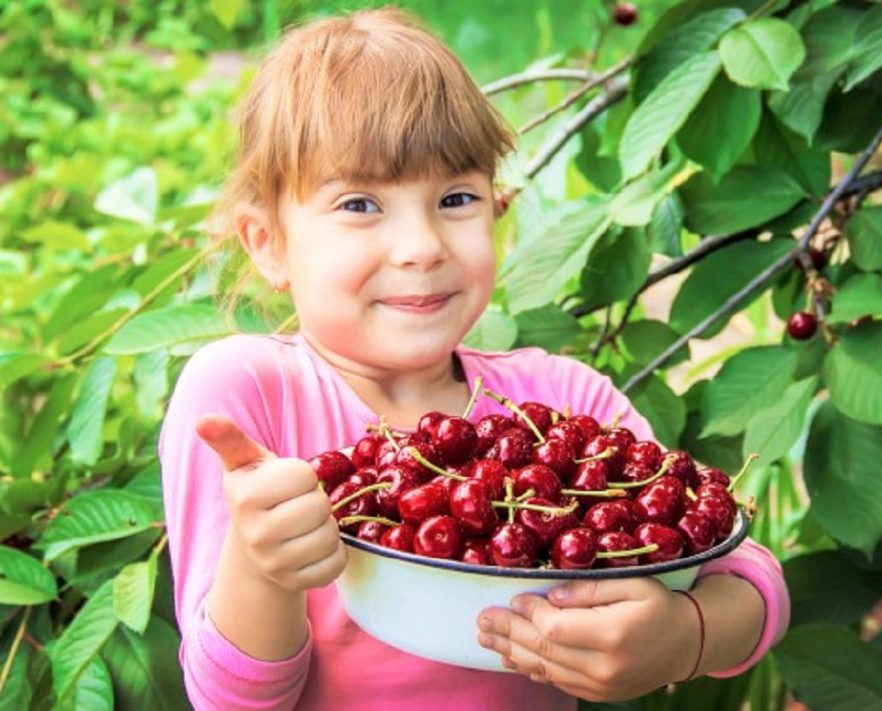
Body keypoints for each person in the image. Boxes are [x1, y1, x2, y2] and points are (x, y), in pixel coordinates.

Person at [158, 7, 790, 710]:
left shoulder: (561, 403)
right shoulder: (249, 400)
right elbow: (229, 700)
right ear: (269, 243)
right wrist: (262, 565)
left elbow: (750, 577)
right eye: (361, 203)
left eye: (456, 197)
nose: (422, 245)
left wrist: (686, 635)